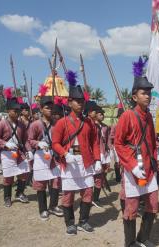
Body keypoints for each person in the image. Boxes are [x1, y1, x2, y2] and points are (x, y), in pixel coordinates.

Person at [114, 58, 159, 247]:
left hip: (149, 168)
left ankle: (143, 237)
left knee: (153, 205)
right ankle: (130, 242)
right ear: (134, 97)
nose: (148, 96)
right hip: (133, 167)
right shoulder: (127, 116)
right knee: (131, 208)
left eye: (149, 92)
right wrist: (132, 166)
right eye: (143, 93)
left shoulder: (149, 116)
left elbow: (152, 143)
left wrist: (156, 162)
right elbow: (118, 144)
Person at [52, 71, 101, 235]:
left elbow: (95, 141)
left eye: (82, 101)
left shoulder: (89, 122)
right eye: (77, 101)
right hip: (69, 161)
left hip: (86, 162)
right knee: (68, 195)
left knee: (88, 193)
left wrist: (98, 159)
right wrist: (65, 154)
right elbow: (55, 144)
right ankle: (70, 223)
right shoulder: (61, 123)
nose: (80, 104)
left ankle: (84, 221)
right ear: (69, 102)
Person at [26, 93, 63, 221]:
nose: (50, 110)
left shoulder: (57, 124)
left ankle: (53, 206)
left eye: (51, 108)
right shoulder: (35, 124)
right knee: (41, 184)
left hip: (53, 156)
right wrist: (38, 143)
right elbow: (30, 140)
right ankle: (43, 209)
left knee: (55, 182)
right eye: (47, 108)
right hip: (41, 157)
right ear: (41, 109)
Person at [0, 89, 31, 207]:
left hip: (19, 152)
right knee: (9, 176)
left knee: (24, 173)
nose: (18, 112)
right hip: (7, 153)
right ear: (9, 111)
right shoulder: (1, 124)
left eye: (19, 110)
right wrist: (5, 144)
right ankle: (7, 197)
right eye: (15, 110)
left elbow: (25, 140)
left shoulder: (21, 124)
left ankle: (19, 193)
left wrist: (28, 150)